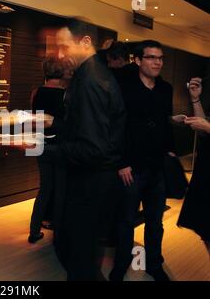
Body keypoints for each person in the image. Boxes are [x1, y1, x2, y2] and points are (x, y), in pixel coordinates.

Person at [45, 19, 126, 280]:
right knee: (81, 256)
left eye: (64, 46)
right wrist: (54, 122)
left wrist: (39, 148)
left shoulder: (90, 81)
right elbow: (85, 130)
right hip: (92, 181)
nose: (60, 54)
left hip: (91, 184)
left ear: (86, 43)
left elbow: (92, 149)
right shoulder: (91, 74)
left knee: (80, 261)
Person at [110, 40, 175, 281]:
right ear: (137, 60)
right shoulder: (124, 87)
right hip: (131, 167)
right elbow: (117, 127)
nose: (157, 62)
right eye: (151, 57)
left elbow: (164, 123)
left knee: (155, 222)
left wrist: (170, 151)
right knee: (125, 221)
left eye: (160, 58)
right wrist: (121, 162)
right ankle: (122, 263)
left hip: (157, 167)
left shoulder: (166, 89)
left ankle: (154, 264)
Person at [28, 56, 70, 244]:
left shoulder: (36, 92)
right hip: (61, 146)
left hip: (40, 144)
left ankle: (34, 231)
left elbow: (33, 120)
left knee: (44, 189)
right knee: (61, 189)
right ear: (61, 72)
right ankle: (59, 233)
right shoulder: (66, 95)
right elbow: (70, 124)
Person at [178, 77, 210, 257]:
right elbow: (203, 127)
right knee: (206, 231)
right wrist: (195, 99)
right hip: (206, 173)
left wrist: (208, 127)